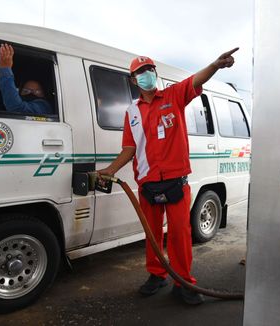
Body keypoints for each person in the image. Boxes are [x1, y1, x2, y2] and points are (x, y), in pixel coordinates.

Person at [98, 48, 238, 305]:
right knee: (152, 234)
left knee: (179, 235)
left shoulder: (173, 96)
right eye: (139, 72)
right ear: (132, 80)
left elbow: (196, 80)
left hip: (176, 182)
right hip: (148, 184)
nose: (145, 74)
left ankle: (183, 282)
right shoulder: (132, 113)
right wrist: (111, 170)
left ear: (155, 73)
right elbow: (129, 149)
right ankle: (156, 275)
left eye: (148, 69)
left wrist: (216, 65)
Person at [0, 43, 51, 114]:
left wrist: (5, 68)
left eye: (37, 92)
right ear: (19, 93)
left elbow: (17, 108)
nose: (31, 94)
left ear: (44, 94)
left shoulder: (43, 106)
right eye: (26, 91)